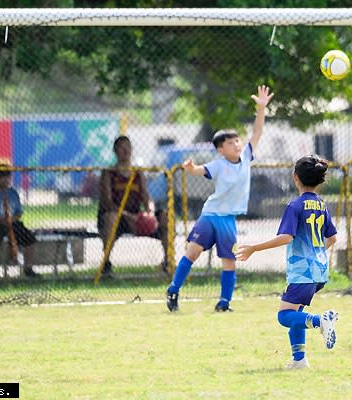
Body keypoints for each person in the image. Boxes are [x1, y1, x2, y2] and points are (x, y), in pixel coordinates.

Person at [165, 85, 274, 312]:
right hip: (210, 215)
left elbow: (257, 132)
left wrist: (261, 108)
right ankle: (173, 289)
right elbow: (199, 171)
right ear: (220, 150)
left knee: (229, 261)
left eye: (237, 141)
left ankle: (224, 303)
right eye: (230, 142)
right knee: (192, 252)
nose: (237, 144)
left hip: (227, 219)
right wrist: (191, 167)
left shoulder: (245, 157)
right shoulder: (218, 165)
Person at [235, 155, 338, 369]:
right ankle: (299, 360)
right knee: (296, 311)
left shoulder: (295, 205)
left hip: (303, 271)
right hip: (319, 270)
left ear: (295, 177)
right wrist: (316, 253)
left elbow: (287, 237)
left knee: (284, 316)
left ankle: (321, 320)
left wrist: (254, 248)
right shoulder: (321, 205)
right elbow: (333, 238)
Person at [97, 135, 168, 277]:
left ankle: (168, 262)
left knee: (166, 216)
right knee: (111, 217)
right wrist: (127, 216)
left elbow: (146, 198)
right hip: (117, 217)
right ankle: (106, 263)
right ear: (115, 151)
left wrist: (149, 211)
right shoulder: (109, 172)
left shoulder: (137, 173)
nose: (126, 150)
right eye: (122, 147)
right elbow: (107, 202)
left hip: (136, 217)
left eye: (128, 147)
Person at [0, 164, 38, 280]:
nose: (6, 179)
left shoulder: (13, 193)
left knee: (30, 240)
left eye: (7, 177)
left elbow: (19, 212)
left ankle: (27, 268)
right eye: (2, 177)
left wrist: (11, 220)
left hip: (13, 223)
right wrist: (2, 221)